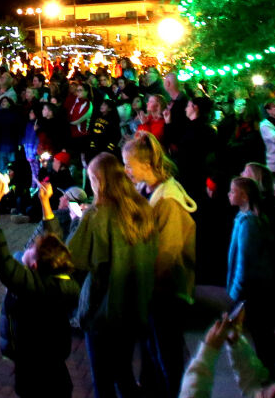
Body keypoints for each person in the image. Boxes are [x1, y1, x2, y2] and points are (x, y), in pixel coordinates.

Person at [63, 151, 158, 398]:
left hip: (103, 310)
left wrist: (76, 222)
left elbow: (73, 258)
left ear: (98, 180)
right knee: (124, 373)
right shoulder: (141, 208)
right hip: (135, 306)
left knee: (103, 380)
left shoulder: (97, 215)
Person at [0, 176, 80, 397]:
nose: (27, 248)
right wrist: (45, 203)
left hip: (33, 368)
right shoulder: (61, 278)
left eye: (31, 250)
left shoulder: (32, 287)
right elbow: (54, 241)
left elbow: (1, 259)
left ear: (35, 265)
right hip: (56, 364)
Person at [124, 133, 198, 397]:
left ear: (146, 165)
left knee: (166, 354)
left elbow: (166, 255)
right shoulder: (147, 189)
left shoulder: (168, 201)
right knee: (151, 349)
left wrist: (142, 286)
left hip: (166, 292)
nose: (126, 170)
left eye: (129, 165)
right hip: (152, 290)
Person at [224, 176, 275, 362]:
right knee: (260, 332)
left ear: (245, 197)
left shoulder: (249, 224)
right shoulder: (244, 219)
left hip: (253, 289)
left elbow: (244, 262)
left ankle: (268, 371)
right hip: (255, 288)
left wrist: (236, 291)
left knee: (260, 333)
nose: (229, 194)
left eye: (233, 191)